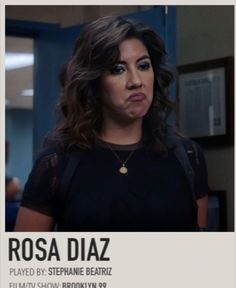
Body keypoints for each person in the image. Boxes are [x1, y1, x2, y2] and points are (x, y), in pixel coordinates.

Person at [15, 15, 208, 232]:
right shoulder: (57, 163)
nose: (136, 81)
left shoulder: (187, 156)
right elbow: (26, 260)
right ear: (94, 82)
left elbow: (197, 256)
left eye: (144, 66)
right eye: (118, 69)